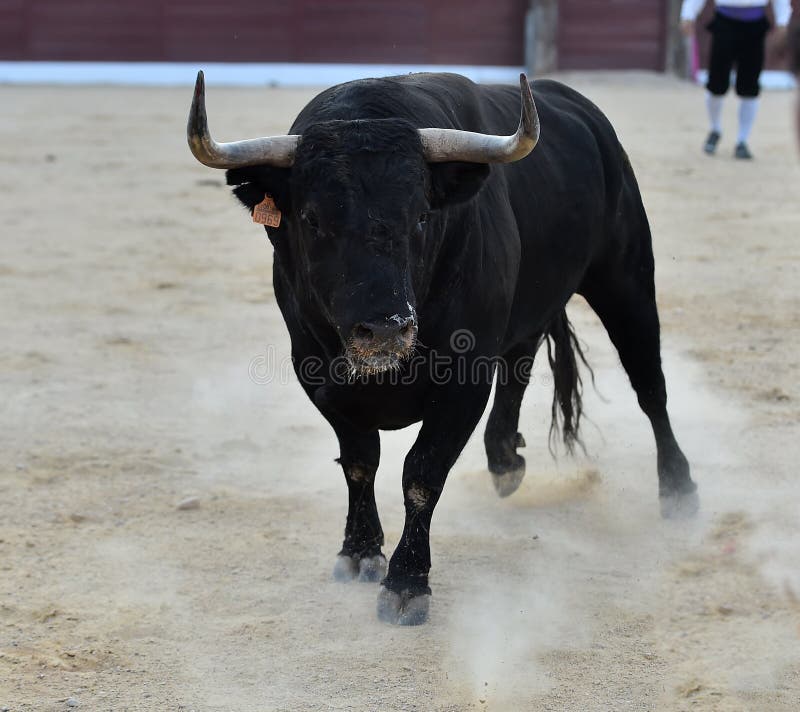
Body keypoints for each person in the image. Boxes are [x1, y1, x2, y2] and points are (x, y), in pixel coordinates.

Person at [680, 0, 793, 159]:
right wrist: (688, 14)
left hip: (755, 25)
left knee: (750, 86)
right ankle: (715, 129)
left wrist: (783, 22)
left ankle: (742, 140)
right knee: (716, 84)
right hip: (724, 22)